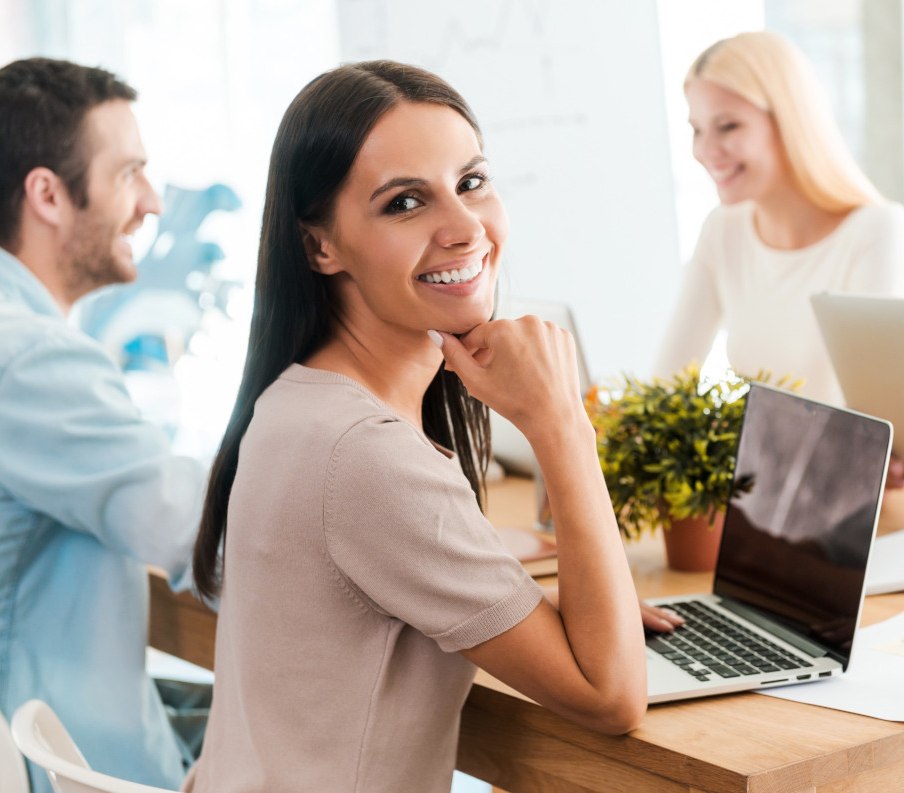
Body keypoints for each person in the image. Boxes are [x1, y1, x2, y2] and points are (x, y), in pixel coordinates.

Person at [186, 60, 664, 793]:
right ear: (321, 245)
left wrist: (554, 611)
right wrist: (561, 421)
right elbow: (611, 697)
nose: (465, 227)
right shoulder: (366, 454)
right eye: (406, 202)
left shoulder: (296, 400)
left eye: (471, 182)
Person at [0, 58, 208, 791]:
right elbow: (205, 537)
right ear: (47, 194)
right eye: (128, 174)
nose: (149, 202)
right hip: (52, 761)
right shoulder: (32, 360)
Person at [655, 31, 904, 406]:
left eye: (728, 126)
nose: (705, 150)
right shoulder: (723, 229)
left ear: (789, 121)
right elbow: (663, 388)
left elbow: (885, 419)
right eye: (696, 130)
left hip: (851, 466)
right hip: (763, 465)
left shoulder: (878, 232)